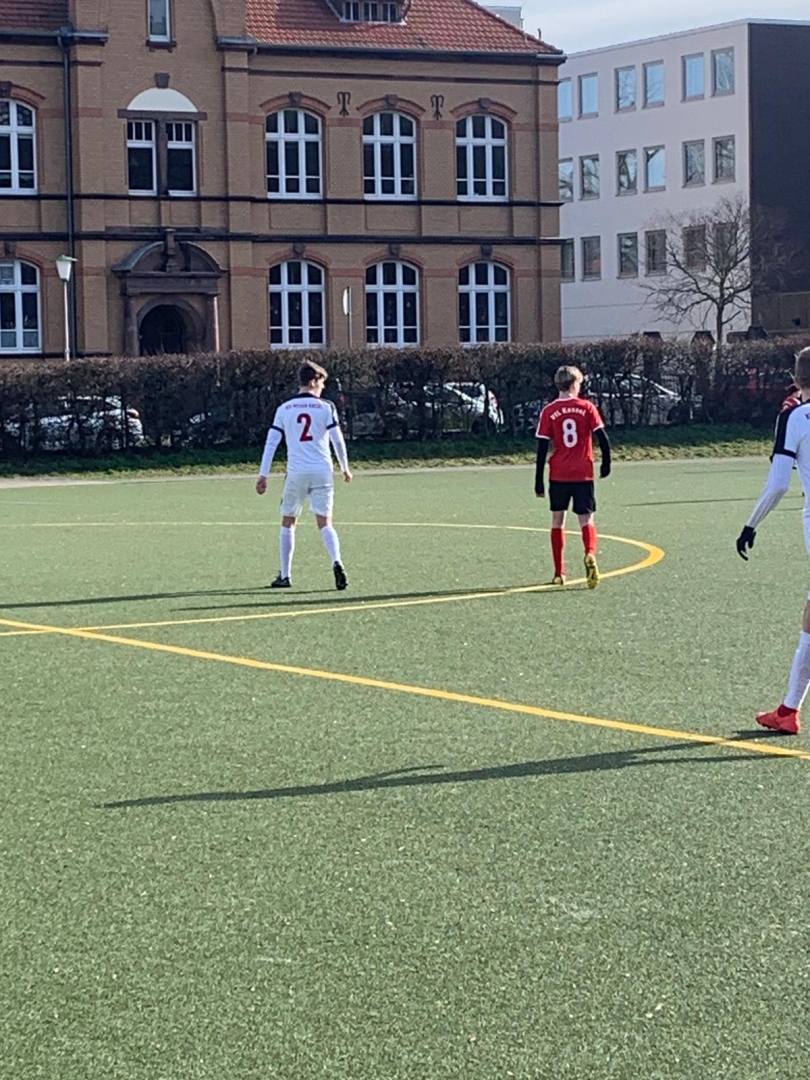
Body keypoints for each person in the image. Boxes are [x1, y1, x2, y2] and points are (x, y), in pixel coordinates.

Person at [736, 347, 810, 735]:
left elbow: (779, 483)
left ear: (796, 380)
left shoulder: (794, 417)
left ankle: (788, 710)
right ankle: (788, 709)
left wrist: (751, 524)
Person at [256, 361, 352, 590]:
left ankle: (285, 575)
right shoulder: (325, 407)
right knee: (325, 522)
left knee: (288, 521)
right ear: (313, 381)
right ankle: (337, 561)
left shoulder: (284, 408)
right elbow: (337, 440)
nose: (323, 388)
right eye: (322, 383)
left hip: (296, 472)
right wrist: (345, 468)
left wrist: (263, 474)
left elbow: (272, 442)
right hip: (322, 472)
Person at [535, 365, 611, 588]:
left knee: (557, 520)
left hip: (558, 473)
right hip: (583, 473)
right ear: (574, 384)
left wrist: (538, 481)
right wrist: (606, 464)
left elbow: (542, 448)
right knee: (586, 519)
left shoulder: (549, 411)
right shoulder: (586, 407)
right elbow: (603, 438)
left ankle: (559, 572)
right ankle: (590, 553)